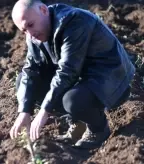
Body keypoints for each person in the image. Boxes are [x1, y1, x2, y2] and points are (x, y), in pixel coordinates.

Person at [9, 0, 135, 149]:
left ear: (43, 10)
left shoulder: (75, 21)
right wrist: (24, 110)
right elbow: (31, 70)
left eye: (30, 25)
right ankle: (78, 121)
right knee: (23, 82)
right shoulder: (34, 35)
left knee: (72, 100)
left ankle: (98, 129)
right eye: (24, 30)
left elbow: (68, 70)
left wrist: (44, 110)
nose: (30, 34)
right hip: (80, 79)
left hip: (110, 79)